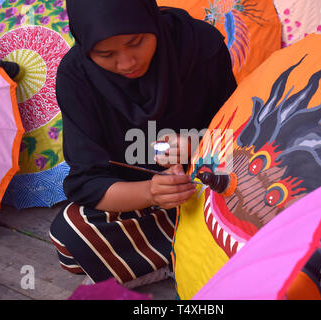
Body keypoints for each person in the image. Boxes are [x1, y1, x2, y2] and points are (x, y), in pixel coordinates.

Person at [49, 0, 237, 286]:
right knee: (71, 233)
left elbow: (240, 134)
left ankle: (172, 254)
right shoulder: (76, 77)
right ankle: (189, 252)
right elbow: (88, 179)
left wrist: (199, 146)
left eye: (136, 42)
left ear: (150, 19)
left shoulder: (200, 44)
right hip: (142, 206)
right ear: (85, 46)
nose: (127, 63)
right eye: (105, 53)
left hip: (211, 189)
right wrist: (151, 191)